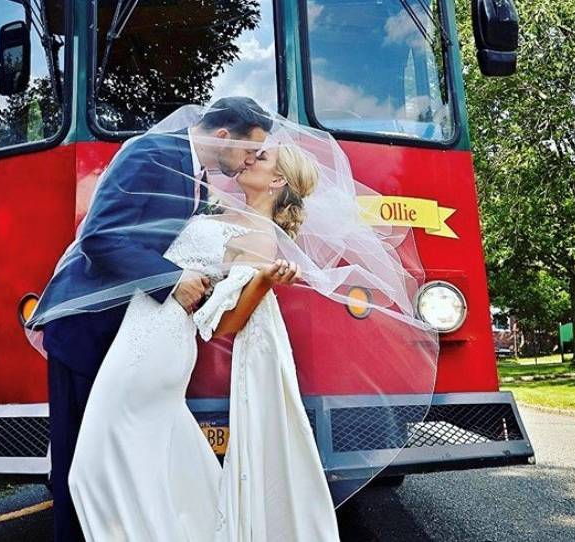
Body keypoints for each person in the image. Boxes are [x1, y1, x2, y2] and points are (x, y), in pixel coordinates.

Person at [25, 97, 273, 542]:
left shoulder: (194, 174)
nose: (250, 161)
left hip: (130, 336)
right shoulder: (151, 152)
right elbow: (99, 238)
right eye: (248, 151)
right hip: (89, 329)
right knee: (80, 466)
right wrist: (172, 280)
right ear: (223, 136)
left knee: (118, 465)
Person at [67, 143, 341, 541]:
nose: (249, 158)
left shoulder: (260, 237)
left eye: (261, 158)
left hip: (156, 346)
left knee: (91, 470)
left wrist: (263, 282)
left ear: (278, 180)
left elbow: (228, 323)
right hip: (145, 337)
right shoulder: (220, 212)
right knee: (162, 466)